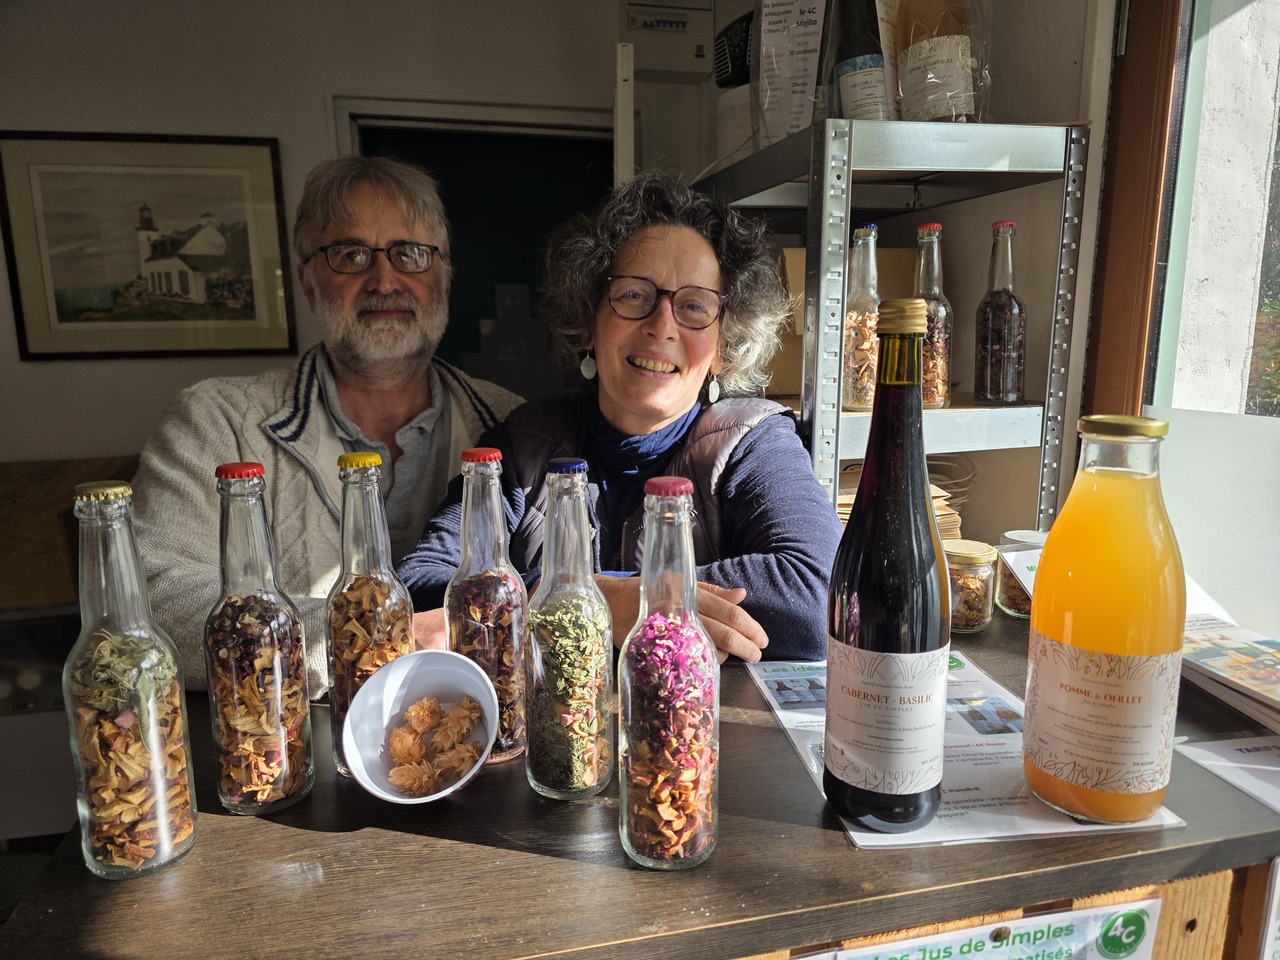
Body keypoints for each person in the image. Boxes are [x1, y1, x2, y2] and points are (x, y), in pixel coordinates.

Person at [398, 171, 841, 662]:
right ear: (588, 320)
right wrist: (598, 600)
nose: (661, 326)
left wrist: (638, 599)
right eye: (633, 295)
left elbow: (821, 595)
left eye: (694, 305)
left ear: (722, 348)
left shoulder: (753, 442)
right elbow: (420, 586)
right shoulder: (521, 444)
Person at [131, 156, 522, 695]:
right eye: (351, 254)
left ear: (445, 277)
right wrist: (385, 638)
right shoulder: (216, 422)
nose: (384, 280)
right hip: (290, 742)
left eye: (410, 254)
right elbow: (151, 600)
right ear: (309, 282)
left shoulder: (513, 425)